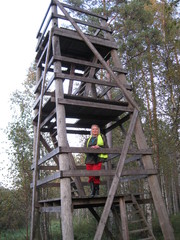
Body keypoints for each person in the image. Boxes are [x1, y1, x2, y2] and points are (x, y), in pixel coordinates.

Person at [85, 124, 108, 197]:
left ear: (98, 130)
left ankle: (97, 191)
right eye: (93, 129)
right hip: (89, 159)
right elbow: (84, 149)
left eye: (96, 129)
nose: (95, 130)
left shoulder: (102, 138)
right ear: (91, 131)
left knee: (96, 175)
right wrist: (90, 148)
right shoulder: (87, 140)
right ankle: (92, 191)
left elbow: (106, 147)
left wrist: (99, 147)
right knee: (90, 176)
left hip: (98, 159)